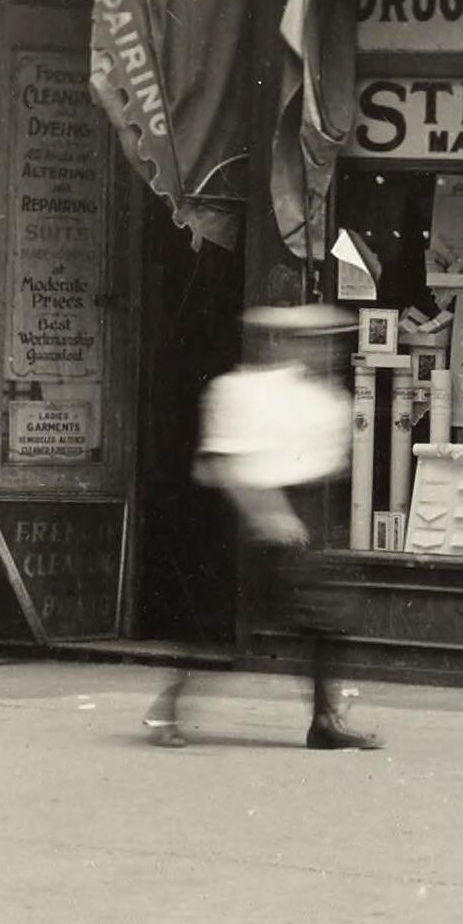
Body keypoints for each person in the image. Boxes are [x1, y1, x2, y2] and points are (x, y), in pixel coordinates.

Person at [148, 301, 376, 751]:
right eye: (312, 343)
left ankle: (324, 721)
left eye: (329, 343)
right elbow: (220, 465)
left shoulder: (330, 399)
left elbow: (328, 468)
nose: (324, 352)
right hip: (246, 516)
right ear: (280, 343)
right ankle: (166, 710)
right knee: (216, 627)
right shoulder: (237, 391)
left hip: (304, 514)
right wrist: (267, 513)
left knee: (327, 622)